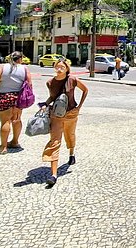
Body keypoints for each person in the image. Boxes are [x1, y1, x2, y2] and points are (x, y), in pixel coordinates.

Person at [41, 58, 87, 186]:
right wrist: (45, 104)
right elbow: (52, 97)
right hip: (56, 115)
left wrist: (79, 107)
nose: (59, 69)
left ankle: (71, 153)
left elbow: (85, 90)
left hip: (71, 113)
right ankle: (53, 174)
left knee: (70, 135)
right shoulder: (50, 82)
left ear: (67, 69)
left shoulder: (72, 80)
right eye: (57, 67)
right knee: (55, 141)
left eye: (62, 67)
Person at [0, 51, 31, 154]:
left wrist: (2, 83)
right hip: (19, 97)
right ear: (20, 59)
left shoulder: (2, 67)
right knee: (17, 119)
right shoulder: (25, 69)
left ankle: (3, 147)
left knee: (5, 121)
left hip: (4, 96)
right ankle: (15, 141)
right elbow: (29, 84)